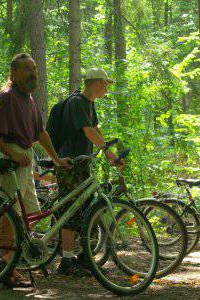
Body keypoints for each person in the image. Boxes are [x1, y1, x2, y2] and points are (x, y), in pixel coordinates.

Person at [0, 53, 71, 287]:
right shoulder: (7, 97)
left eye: (35, 69)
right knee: (11, 214)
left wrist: (57, 158)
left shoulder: (28, 99)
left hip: (25, 158)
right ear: (14, 74)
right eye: (28, 69)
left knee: (29, 213)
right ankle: (6, 266)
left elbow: (40, 132)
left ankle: (13, 258)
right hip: (13, 157)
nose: (33, 73)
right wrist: (12, 154)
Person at [54, 68, 125, 277]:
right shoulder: (77, 102)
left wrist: (109, 153)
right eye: (105, 84)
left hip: (82, 163)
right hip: (69, 164)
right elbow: (87, 130)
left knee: (86, 208)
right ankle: (66, 261)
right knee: (70, 209)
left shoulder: (89, 104)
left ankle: (85, 257)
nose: (106, 88)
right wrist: (108, 153)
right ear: (95, 83)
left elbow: (95, 128)